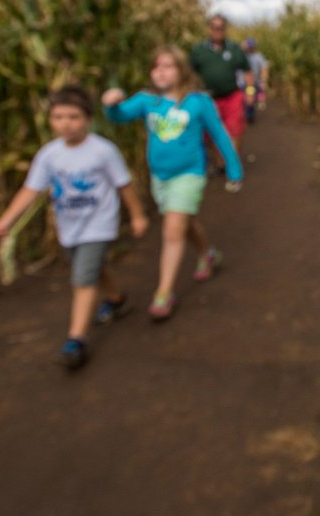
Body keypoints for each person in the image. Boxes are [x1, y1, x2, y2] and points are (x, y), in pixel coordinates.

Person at [0, 86, 148, 370]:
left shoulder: (103, 151)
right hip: (69, 226)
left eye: (73, 116)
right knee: (92, 269)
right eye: (58, 116)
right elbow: (31, 190)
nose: (66, 123)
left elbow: (124, 185)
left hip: (99, 224)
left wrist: (137, 216)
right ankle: (116, 300)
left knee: (83, 278)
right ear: (49, 119)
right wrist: (7, 220)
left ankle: (76, 340)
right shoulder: (49, 155)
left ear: (88, 118)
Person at [102, 46, 243, 322]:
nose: (161, 71)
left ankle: (164, 293)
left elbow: (220, 135)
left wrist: (234, 169)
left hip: (190, 174)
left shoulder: (198, 102)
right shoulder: (147, 101)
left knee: (172, 230)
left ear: (182, 71)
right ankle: (207, 253)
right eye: (156, 66)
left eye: (168, 66)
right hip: (160, 178)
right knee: (183, 223)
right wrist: (110, 104)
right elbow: (118, 116)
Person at [189, 15, 250, 160]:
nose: (218, 30)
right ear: (209, 29)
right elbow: (189, 74)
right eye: (214, 27)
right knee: (211, 134)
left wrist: (250, 91)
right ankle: (221, 162)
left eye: (221, 27)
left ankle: (232, 164)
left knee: (235, 130)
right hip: (208, 100)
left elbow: (247, 71)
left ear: (225, 29)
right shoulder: (199, 50)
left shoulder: (234, 48)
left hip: (232, 96)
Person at [240, 37, 270, 124]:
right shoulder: (242, 55)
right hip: (241, 83)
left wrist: (263, 80)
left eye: (252, 46)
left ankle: (250, 114)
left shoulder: (258, 56)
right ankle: (245, 114)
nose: (250, 47)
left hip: (252, 83)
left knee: (250, 99)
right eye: (249, 46)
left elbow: (264, 67)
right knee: (242, 100)